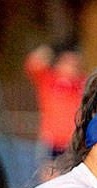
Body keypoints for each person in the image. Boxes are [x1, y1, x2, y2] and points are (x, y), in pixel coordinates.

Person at [23, 41, 85, 178]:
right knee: (49, 176)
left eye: (75, 63)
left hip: (73, 141)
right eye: (68, 61)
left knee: (71, 178)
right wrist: (51, 47)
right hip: (53, 139)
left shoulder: (82, 83)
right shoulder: (49, 79)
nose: (72, 66)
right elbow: (33, 63)